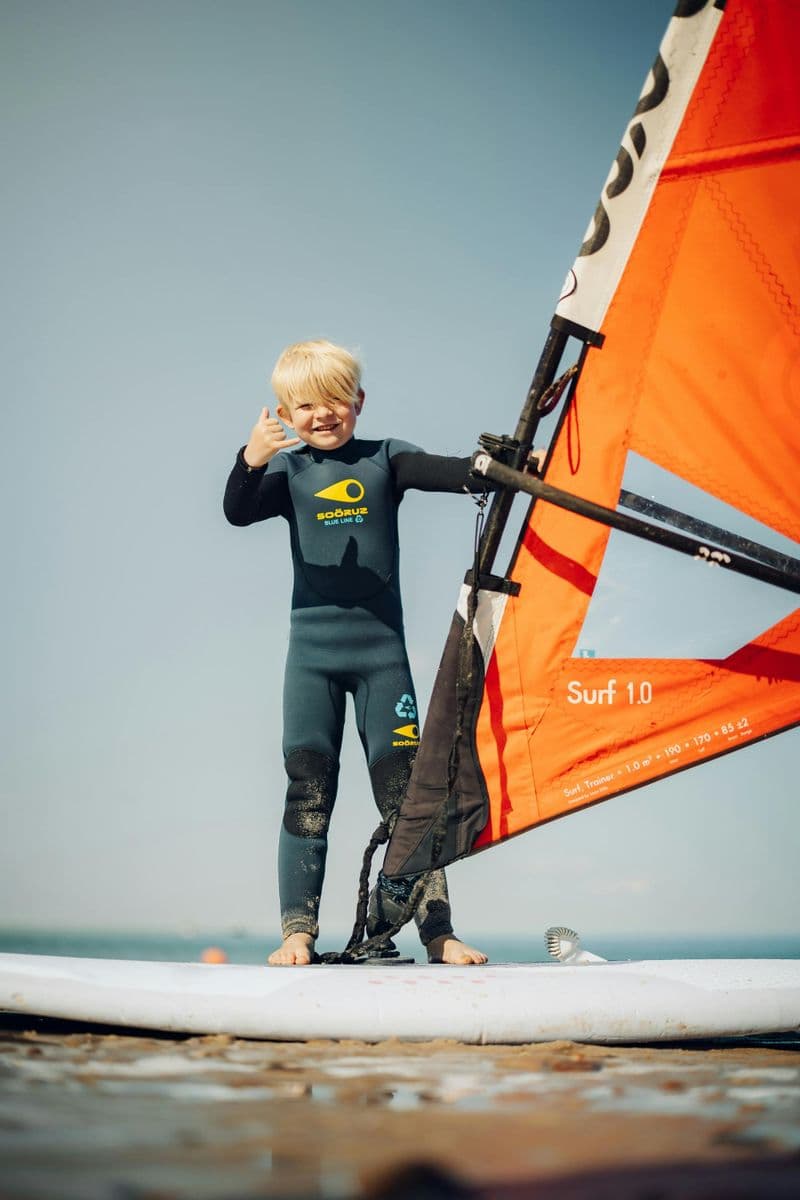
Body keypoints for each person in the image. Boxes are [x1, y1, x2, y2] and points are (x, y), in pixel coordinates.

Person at [224, 339, 488, 966]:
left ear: (358, 401)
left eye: (335, 400)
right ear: (285, 414)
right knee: (308, 791)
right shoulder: (286, 472)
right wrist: (249, 459)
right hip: (311, 661)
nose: (322, 414)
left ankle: (438, 933)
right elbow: (236, 511)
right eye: (304, 405)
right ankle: (298, 934)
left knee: (411, 796)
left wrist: (501, 464)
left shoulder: (386, 459)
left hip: (382, 661)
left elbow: (452, 473)